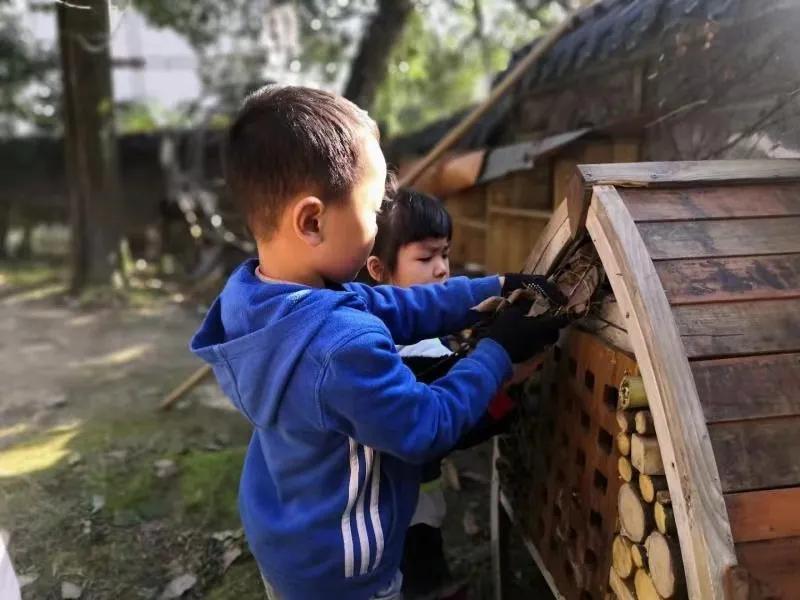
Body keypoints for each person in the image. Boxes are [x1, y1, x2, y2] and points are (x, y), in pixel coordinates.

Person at [190, 84, 567, 600]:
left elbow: (395, 306)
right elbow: (426, 426)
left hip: (288, 534)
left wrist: (494, 287)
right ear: (312, 221)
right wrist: (497, 352)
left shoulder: (258, 297)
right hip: (345, 573)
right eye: (372, 212)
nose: (376, 227)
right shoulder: (339, 346)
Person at [366, 190, 529, 599]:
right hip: (398, 521)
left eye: (445, 254)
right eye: (425, 258)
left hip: (411, 509)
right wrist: (509, 382)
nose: (442, 269)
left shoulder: (397, 334)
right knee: (421, 581)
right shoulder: (399, 357)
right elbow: (455, 426)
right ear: (379, 270)